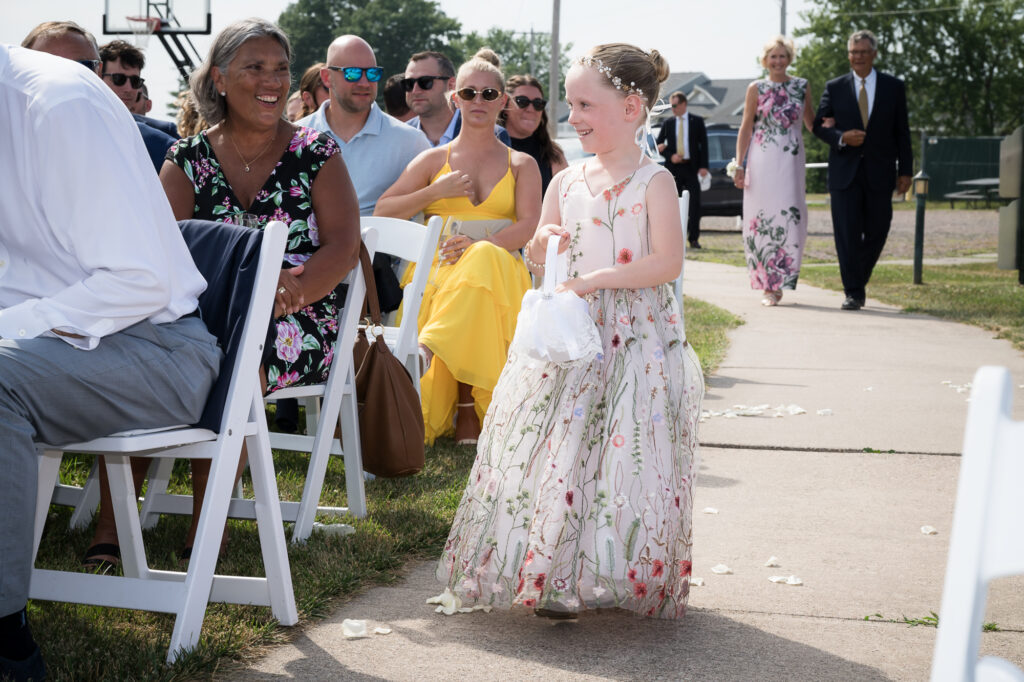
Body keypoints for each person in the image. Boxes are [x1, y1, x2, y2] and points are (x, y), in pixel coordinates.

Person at [435, 43, 704, 619]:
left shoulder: (652, 181)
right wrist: (543, 244)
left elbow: (666, 263)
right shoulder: (566, 181)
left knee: (619, 449)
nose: (572, 116)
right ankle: (554, 576)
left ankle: (602, 569)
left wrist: (596, 281)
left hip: (632, 338)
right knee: (561, 445)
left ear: (630, 107)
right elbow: (539, 254)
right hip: (569, 340)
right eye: (571, 104)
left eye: (585, 105)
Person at [88, 17, 361, 562]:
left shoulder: (316, 152)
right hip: (202, 311)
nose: (273, 80)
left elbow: (343, 246)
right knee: (143, 355)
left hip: (297, 315)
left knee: (239, 360)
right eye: (255, 67)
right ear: (219, 79)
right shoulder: (187, 159)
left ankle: (206, 528)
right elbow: (163, 251)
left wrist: (291, 293)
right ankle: (111, 526)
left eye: (281, 69)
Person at [0, 44, 222, 682]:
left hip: (159, 347)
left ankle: (7, 643)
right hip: (60, 342)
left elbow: (138, 281)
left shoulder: (57, 106)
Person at [375, 51, 541, 446]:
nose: (478, 100)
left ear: (503, 101)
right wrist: (435, 191)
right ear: (456, 98)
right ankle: (465, 410)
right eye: (469, 93)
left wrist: (481, 245)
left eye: (489, 94)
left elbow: (529, 225)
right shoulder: (433, 160)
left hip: (500, 269)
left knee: (482, 261)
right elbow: (383, 210)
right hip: (439, 271)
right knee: (474, 280)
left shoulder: (522, 164)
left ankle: (428, 348)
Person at [813, 29, 912, 311]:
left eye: (863, 52)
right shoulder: (835, 87)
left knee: (879, 229)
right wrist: (842, 137)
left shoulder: (894, 87)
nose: (858, 57)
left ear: (874, 54)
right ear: (849, 55)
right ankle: (853, 292)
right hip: (845, 173)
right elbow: (818, 125)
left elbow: (902, 132)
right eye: (854, 52)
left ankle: (858, 276)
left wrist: (905, 171)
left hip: (881, 172)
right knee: (847, 235)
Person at [22, 22, 175, 172]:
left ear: (98, 71)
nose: (128, 88)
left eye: (82, 67)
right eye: (118, 79)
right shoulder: (13, 138)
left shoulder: (155, 146)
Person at [733, 36, 816, 307]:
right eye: (773, 56)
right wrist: (740, 164)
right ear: (765, 60)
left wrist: (838, 132)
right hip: (761, 160)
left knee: (791, 216)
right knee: (760, 217)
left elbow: (812, 123)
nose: (778, 61)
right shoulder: (756, 88)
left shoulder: (801, 86)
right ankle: (767, 286)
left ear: (789, 59)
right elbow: (746, 127)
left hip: (790, 161)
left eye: (782, 56)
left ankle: (783, 278)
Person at [403, 50, 511, 147]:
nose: (415, 90)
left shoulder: (495, 135)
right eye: (409, 83)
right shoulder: (400, 135)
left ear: (451, 85)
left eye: (425, 82)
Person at [498, 74, 567, 197]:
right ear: (505, 105)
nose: (531, 109)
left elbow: (567, 201)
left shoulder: (553, 155)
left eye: (538, 103)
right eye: (522, 102)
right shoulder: (489, 149)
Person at [656, 91, 708, 248]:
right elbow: (658, 145)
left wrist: (704, 166)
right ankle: (673, 239)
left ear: (684, 104)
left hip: (691, 168)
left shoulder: (696, 121)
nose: (672, 109)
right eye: (671, 106)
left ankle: (693, 239)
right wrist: (670, 155)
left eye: (675, 105)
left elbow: (704, 145)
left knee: (694, 204)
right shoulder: (668, 123)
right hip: (673, 170)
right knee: (672, 203)